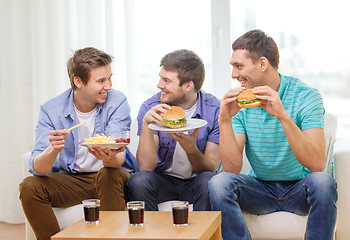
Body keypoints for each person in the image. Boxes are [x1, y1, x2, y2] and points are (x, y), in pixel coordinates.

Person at [208, 29, 337, 240]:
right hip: (260, 190)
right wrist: (224, 120)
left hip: (299, 189)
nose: (233, 75)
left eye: (238, 66)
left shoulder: (306, 96)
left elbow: (317, 164)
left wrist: (282, 116)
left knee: (323, 182)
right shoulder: (241, 103)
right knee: (218, 183)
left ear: (262, 63)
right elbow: (231, 169)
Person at [19, 47, 138, 240]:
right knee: (29, 186)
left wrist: (108, 157)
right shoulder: (51, 110)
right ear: (78, 81)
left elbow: (119, 159)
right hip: (74, 180)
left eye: (109, 78)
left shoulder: (117, 101)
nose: (108, 85)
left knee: (107, 174)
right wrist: (52, 149)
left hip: (111, 176)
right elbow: (38, 168)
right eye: (101, 81)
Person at [127, 49, 220, 211]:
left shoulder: (214, 109)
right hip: (163, 181)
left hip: (197, 182)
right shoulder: (151, 107)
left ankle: (201, 235)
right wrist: (147, 125)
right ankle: (152, 235)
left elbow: (210, 167)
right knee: (138, 180)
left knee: (209, 181)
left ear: (188, 85)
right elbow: (146, 167)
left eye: (166, 81)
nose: (159, 85)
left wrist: (191, 149)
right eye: (160, 78)